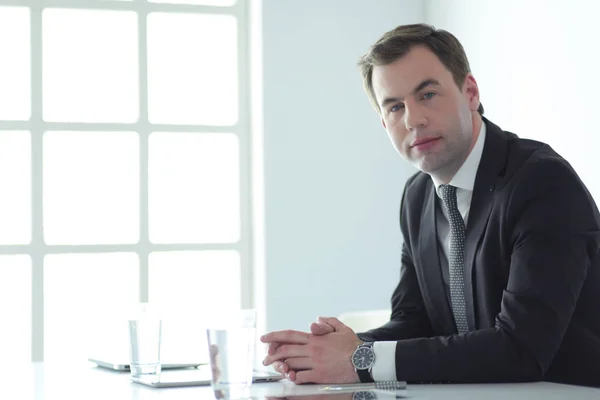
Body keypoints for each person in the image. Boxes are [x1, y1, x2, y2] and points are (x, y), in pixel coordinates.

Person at [260, 23, 600, 387]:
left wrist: (361, 360)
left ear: (470, 92)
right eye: (394, 107)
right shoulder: (417, 196)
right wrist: (334, 351)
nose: (413, 120)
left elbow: (522, 349)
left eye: (427, 95)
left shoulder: (542, 184)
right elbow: (415, 322)